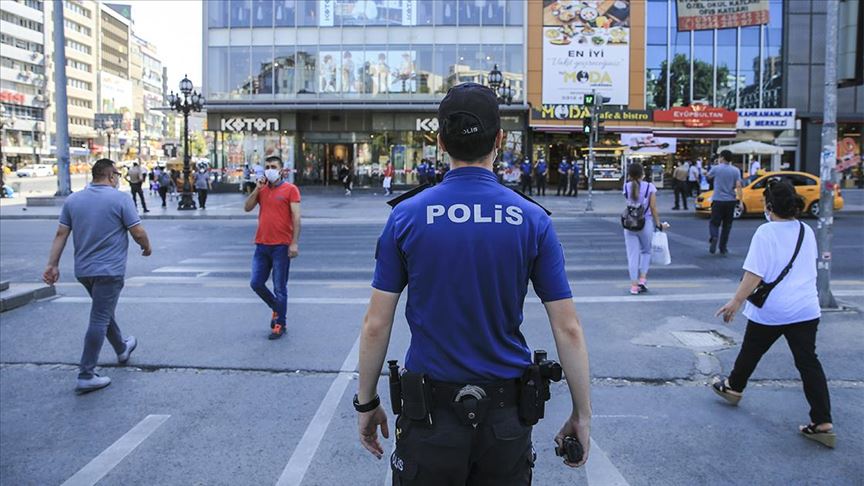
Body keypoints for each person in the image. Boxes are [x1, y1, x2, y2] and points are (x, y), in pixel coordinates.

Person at [355, 83, 592, 484]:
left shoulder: (406, 217)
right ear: (500, 139)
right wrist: (581, 414)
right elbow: (567, 327)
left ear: (440, 141)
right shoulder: (532, 219)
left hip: (429, 417)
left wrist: (367, 403)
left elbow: (376, 324)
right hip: (505, 420)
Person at [713, 179, 834, 448]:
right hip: (805, 308)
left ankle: (734, 386)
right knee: (808, 363)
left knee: (752, 348)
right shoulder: (806, 230)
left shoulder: (765, 232)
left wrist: (736, 301)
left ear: (769, 206)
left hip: (773, 308)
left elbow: (754, 274)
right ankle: (823, 422)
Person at [42, 158, 152, 394]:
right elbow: (138, 230)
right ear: (111, 175)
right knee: (100, 317)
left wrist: (52, 265)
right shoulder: (120, 198)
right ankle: (86, 373)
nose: (117, 180)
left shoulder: (74, 199)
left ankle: (122, 348)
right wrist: (146, 247)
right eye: (117, 175)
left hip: (83, 271)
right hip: (109, 271)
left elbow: (61, 233)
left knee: (103, 311)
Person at [243, 156, 302, 340]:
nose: (269, 169)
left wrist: (293, 243)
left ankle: (279, 324)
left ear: (282, 170)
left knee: (279, 287)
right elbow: (247, 208)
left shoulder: (290, 189)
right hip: (261, 244)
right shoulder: (262, 189)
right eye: (267, 166)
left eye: (273, 166)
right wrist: (257, 190)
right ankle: (277, 309)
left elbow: (296, 217)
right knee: (256, 283)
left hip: (281, 246)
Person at [622, 163, 669, 295]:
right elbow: (653, 208)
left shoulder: (626, 186)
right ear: (642, 173)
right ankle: (642, 279)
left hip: (629, 223)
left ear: (629, 174)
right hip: (646, 223)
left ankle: (633, 286)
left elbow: (629, 202)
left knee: (632, 256)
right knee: (646, 251)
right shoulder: (650, 187)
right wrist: (659, 224)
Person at [707, 150, 743, 255]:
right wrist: (740, 201)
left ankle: (714, 236)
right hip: (730, 201)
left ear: (722, 158)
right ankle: (723, 247)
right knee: (727, 225)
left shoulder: (716, 169)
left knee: (714, 223)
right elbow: (739, 186)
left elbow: (708, 176)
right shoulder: (736, 170)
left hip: (718, 199)